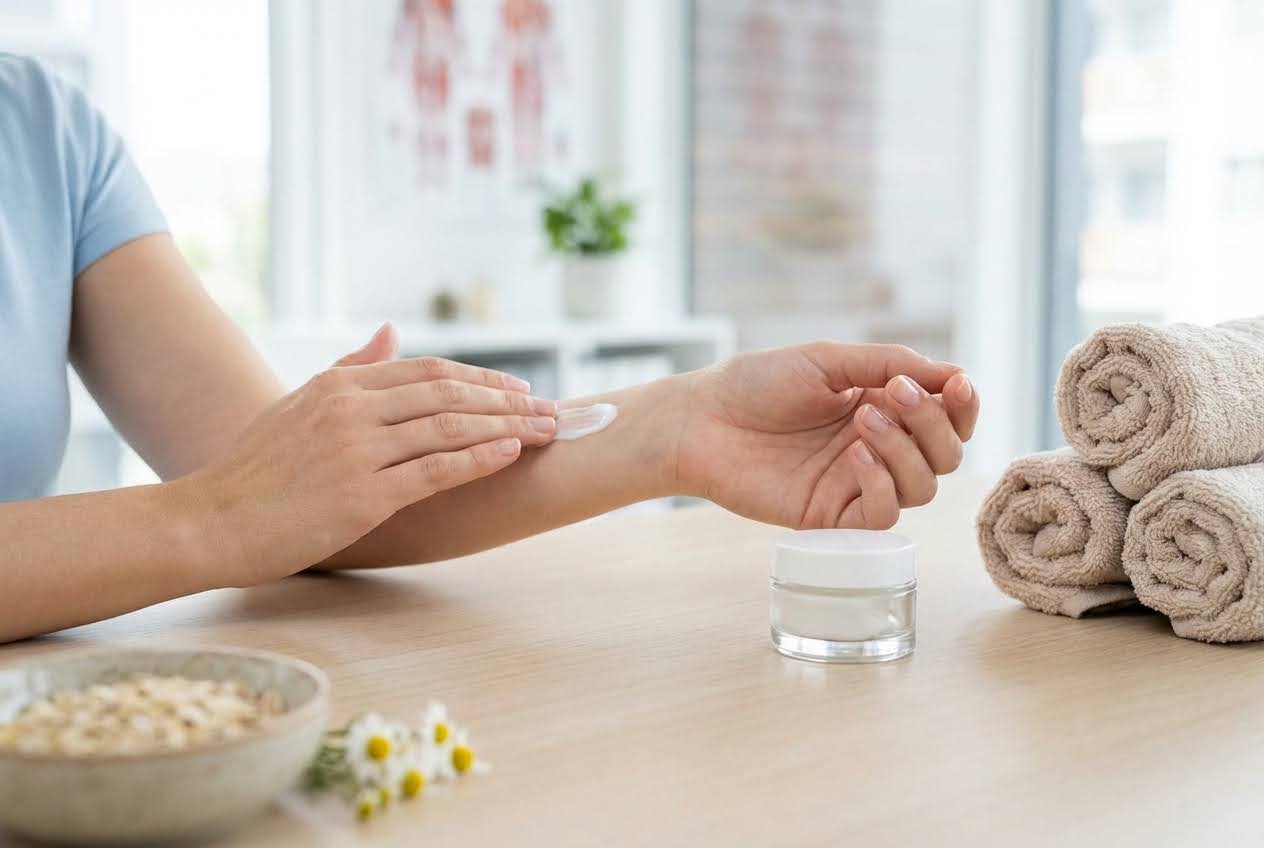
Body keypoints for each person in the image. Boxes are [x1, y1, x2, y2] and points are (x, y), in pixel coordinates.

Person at [0, 54, 979, 643]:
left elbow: (301, 509)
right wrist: (210, 516)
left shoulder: (43, 130)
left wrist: (678, 427)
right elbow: (240, 506)